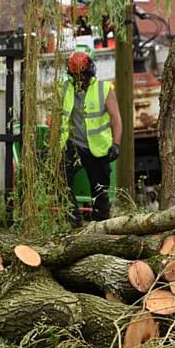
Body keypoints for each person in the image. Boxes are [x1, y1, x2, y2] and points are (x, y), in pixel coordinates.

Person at [60, 50, 122, 224]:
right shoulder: (65, 88)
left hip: (97, 147)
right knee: (61, 179)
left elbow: (116, 118)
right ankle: (74, 221)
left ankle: (101, 224)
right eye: (75, 77)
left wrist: (116, 144)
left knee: (100, 189)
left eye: (82, 77)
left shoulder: (103, 89)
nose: (80, 81)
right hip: (72, 144)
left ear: (89, 73)